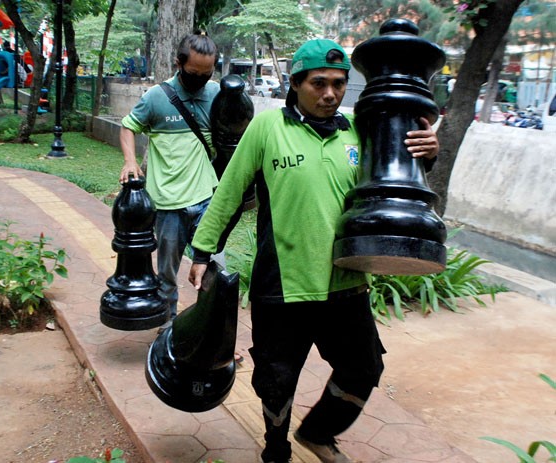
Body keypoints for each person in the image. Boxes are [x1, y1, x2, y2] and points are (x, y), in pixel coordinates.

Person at [188, 39, 439, 463]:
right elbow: (230, 192)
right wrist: (201, 250)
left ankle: (319, 433)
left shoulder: (358, 128)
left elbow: (397, 174)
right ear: (296, 83)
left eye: (339, 84)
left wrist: (425, 153)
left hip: (346, 280)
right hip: (282, 283)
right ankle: (276, 448)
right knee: (276, 379)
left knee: (364, 368)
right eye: (318, 83)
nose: (329, 94)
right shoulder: (268, 128)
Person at [118, 33, 220, 329]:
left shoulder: (216, 94)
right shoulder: (156, 98)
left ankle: (210, 333)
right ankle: (169, 326)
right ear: (178, 63)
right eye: (193, 74)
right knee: (166, 272)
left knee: (215, 270)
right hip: (167, 205)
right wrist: (130, 161)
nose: (200, 80)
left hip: (207, 199)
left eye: (206, 74)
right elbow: (128, 127)